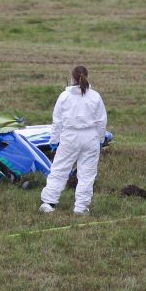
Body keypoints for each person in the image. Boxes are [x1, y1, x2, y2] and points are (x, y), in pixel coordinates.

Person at [39, 65, 107, 215]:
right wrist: (101, 139)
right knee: (87, 174)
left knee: (59, 169)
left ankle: (49, 202)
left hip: (69, 137)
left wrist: (54, 140)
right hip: (90, 137)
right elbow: (102, 121)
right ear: (87, 76)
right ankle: (81, 208)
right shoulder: (95, 96)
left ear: (72, 78)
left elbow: (57, 122)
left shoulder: (64, 96)